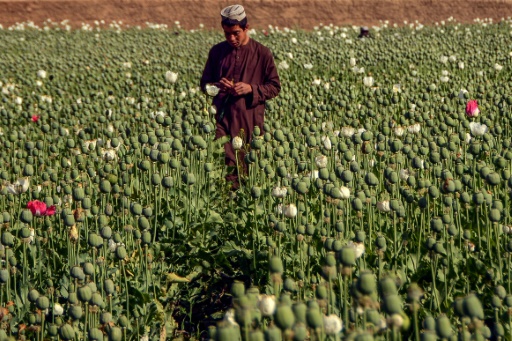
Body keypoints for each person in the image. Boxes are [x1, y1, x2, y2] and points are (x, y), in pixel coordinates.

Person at [200, 4, 281, 189]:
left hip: (250, 119)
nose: (231, 38)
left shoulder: (262, 53)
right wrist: (217, 86)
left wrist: (250, 89)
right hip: (222, 118)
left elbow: (275, 87)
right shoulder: (217, 52)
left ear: (246, 28)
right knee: (225, 166)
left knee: (247, 168)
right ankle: (227, 206)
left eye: (236, 33)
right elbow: (204, 84)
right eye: (227, 33)